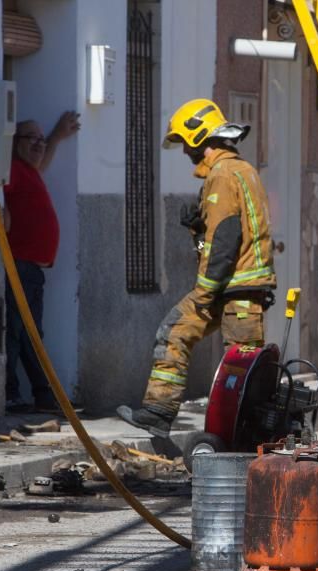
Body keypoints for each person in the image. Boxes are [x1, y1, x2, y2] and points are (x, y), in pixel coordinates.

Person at [117, 99, 276, 438]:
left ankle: (253, 447)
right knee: (179, 334)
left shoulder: (221, 175)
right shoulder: (242, 169)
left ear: (197, 139)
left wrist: (204, 291)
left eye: (185, 144)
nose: (185, 152)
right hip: (239, 288)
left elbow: (225, 239)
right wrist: (197, 228)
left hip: (233, 289)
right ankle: (160, 412)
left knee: (243, 371)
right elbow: (227, 233)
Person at [3, 111, 80, 413]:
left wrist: (57, 136)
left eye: (40, 138)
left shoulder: (30, 170)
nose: (38, 143)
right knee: (16, 331)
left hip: (32, 269)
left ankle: (42, 394)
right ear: (14, 143)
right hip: (19, 266)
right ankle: (14, 393)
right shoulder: (13, 169)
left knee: (30, 332)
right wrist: (5, 212)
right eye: (30, 138)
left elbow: (42, 160)